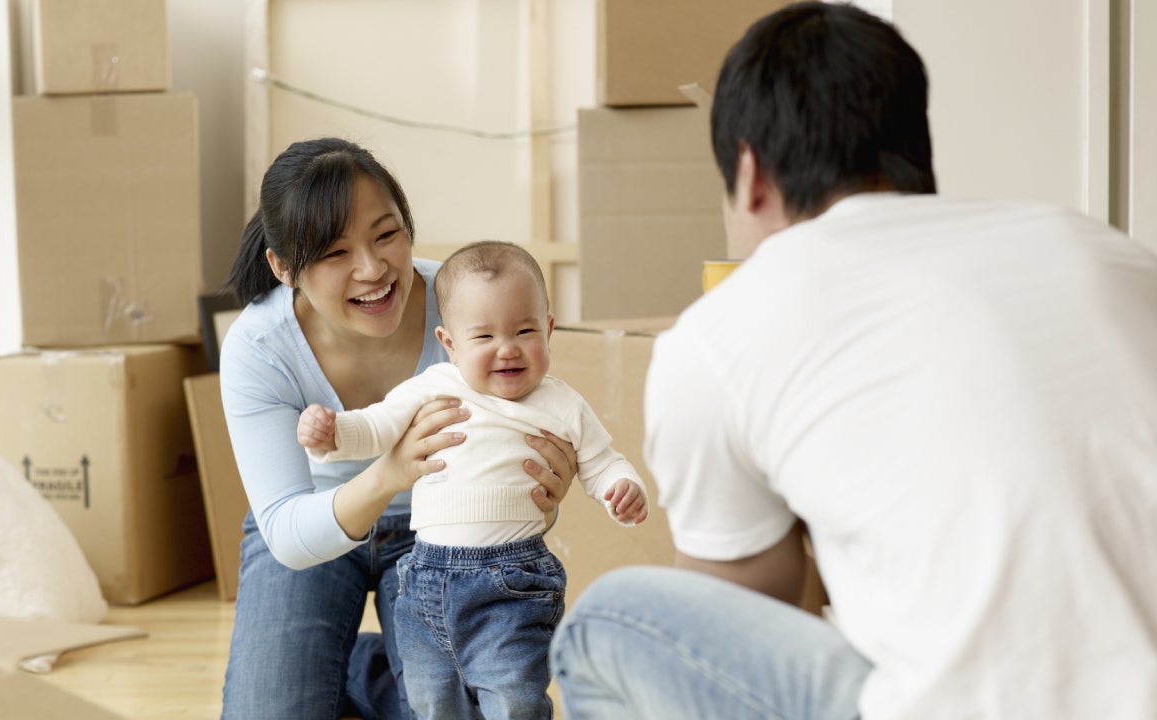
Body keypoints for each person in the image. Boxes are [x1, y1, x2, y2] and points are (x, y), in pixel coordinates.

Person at [550, 3, 1157, 719]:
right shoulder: (1102, 249)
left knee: (609, 621)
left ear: (749, 174)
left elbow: (744, 616)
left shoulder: (722, 331)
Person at [219, 139, 579, 720]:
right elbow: (286, 532)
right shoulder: (259, 347)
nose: (373, 268)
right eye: (335, 252)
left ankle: (356, 667)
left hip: (441, 531)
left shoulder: (469, 307)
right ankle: (341, 661)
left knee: (463, 708)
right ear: (283, 267)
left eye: (386, 234)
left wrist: (542, 488)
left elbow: (528, 426)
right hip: (315, 518)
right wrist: (390, 472)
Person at [298, 240, 649, 720]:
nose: (507, 348)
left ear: (549, 330)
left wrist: (621, 488)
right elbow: (376, 428)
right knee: (432, 700)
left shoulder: (561, 403)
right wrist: (333, 433)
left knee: (515, 698)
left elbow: (603, 462)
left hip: (512, 585)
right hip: (422, 580)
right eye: (484, 337)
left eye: (525, 330)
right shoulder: (434, 385)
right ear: (449, 343)